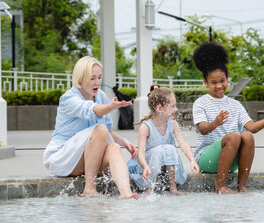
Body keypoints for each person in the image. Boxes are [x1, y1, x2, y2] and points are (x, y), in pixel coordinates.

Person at [192, 42, 264, 194]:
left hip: (230, 160)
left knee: (247, 136)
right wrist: (215, 123)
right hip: (206, 160)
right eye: (214, 82)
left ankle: (241, 186)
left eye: (222, 81)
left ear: (227, 79)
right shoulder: (201, 102)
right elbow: (202, 130)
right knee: (234, 136)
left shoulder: (235, 105)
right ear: (206, 82)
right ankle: (220, 187)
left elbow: (252, 128)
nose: (219, 86)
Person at [43, 56, 138, 199]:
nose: (97, 82)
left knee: (114, 148)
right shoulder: (68, 98)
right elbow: (91, 111)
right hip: (63, 158)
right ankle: (89, 188)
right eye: (92, 78)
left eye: (99, 77)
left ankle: (126, 193)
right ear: (80, 79)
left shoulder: (101, 96)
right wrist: (110, 107)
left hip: (87, 159)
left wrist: (123, 141)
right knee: (100, 129)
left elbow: (106, 130)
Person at [128, 87, 199, 195]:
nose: (176, 109)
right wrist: (145, 166)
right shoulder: (146, 127)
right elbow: (141, 153)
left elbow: (183, 143)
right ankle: (149, 188)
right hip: (149, 165)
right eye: (172, 106)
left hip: (167, 164)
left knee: (169, 148)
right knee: (162, 149)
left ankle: (173, 188)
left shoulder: (173, 124)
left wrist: (192, 160)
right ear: (159, 108)